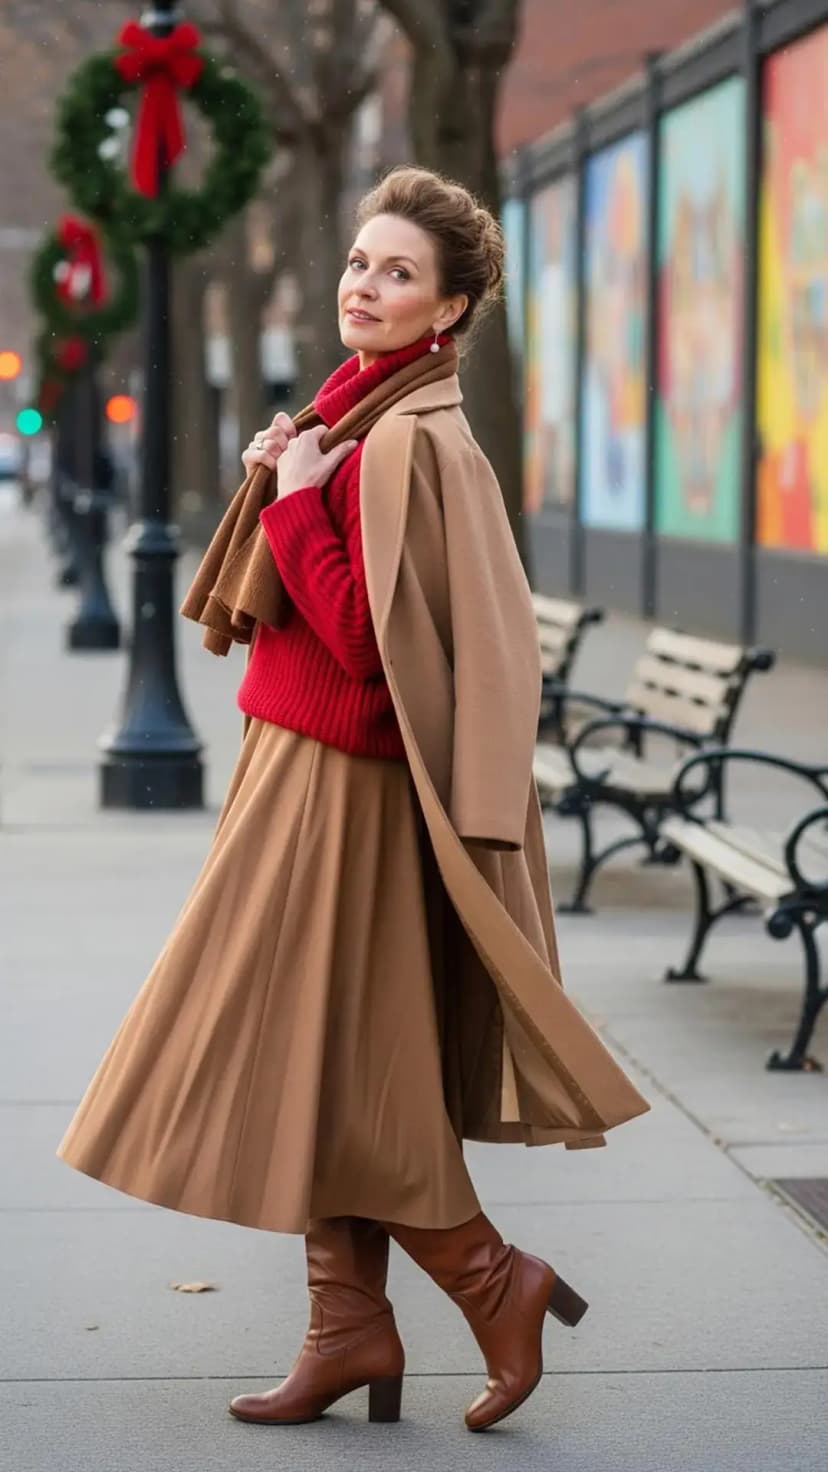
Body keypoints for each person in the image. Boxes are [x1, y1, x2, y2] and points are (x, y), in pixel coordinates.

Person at [57, 166, 649, 1433]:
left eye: (397, 274)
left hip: (351, 792)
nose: (363, 286)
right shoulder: (355, 415)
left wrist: (305, 496)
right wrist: (295, 477)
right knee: (318, 1063)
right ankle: (348, 1324)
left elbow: (383, 668)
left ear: (447, 311)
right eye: (359, 262)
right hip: (296, 769)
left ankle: (493, 1278)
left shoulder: (413, 441)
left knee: (332, 1064)